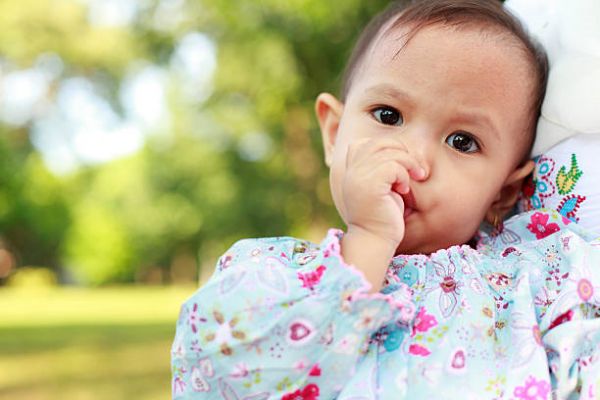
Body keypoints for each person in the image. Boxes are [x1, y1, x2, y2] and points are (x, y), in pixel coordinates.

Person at [171, 0, 600, 398]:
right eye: (388, 116)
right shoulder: (271, 275)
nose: (413, 158)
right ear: (335, 134)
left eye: (463, 141)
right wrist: (368, 240)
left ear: (502, 193)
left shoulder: (537, 283)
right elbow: (222, 374)